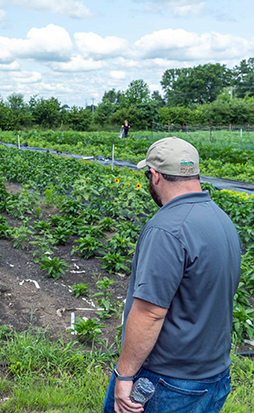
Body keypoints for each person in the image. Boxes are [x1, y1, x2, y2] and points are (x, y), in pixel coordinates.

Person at [104, 137, 241, 413]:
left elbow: (150, 313)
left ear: (154, 176)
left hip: (167, 382)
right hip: (213, 377)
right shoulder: (221, 220)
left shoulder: (167, 229)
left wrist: (125, 375)